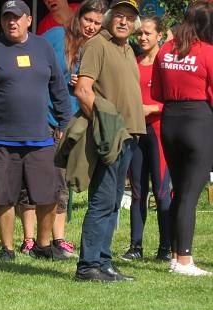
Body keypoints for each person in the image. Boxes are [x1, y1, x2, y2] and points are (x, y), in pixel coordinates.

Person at [0, 0, 73, 262]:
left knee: (49, 193)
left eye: (16, 17)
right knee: (3, 195)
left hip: (41, 137)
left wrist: (64, 123)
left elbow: (59, 86)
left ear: (28, 20)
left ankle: (44, 245)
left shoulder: (43, 47)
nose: (11, 22)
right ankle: (8, 248)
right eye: (6, 18)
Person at [73, 0, 145, 282]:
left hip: (129, 136)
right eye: (119, 16)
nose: (124, 22)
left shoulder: (126, 48)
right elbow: (83, 90)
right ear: (109, 18)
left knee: (114, 202)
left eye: (129, 18)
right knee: (102, 201)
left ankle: (103, 263)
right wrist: (106, 128)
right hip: (112, 135)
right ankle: (88, 266)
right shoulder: (97, 44)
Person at [41, 0, 107, 260]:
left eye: (96, 23)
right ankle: (40, 238)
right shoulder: (57, 36)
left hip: (79, 122)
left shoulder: (98, 46)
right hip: (51, 119)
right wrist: (61, 77)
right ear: (79, 18)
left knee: (66, 182)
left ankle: (58, 237)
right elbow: (37, 65)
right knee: (51, 180)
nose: (91, 27)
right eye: (88, 20)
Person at [151, 0, 213, 276]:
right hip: (198, 122)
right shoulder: (208, 52)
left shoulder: (165, 50)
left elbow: (156, 93)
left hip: (170, 122)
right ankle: (185, 260)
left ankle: (175, 255)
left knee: (179, 190)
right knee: (190, 193)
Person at [121, 15, 172, 263]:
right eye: (139, 34)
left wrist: (152, 109)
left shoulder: (167, 62)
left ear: (160, 35)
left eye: (148, 33)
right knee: (139, 193)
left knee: (163, 194)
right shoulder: (134, 60)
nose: (142, 38)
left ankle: (166, 248)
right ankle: (135, 247)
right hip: (136, 133)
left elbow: (177, 98)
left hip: (160, 132)